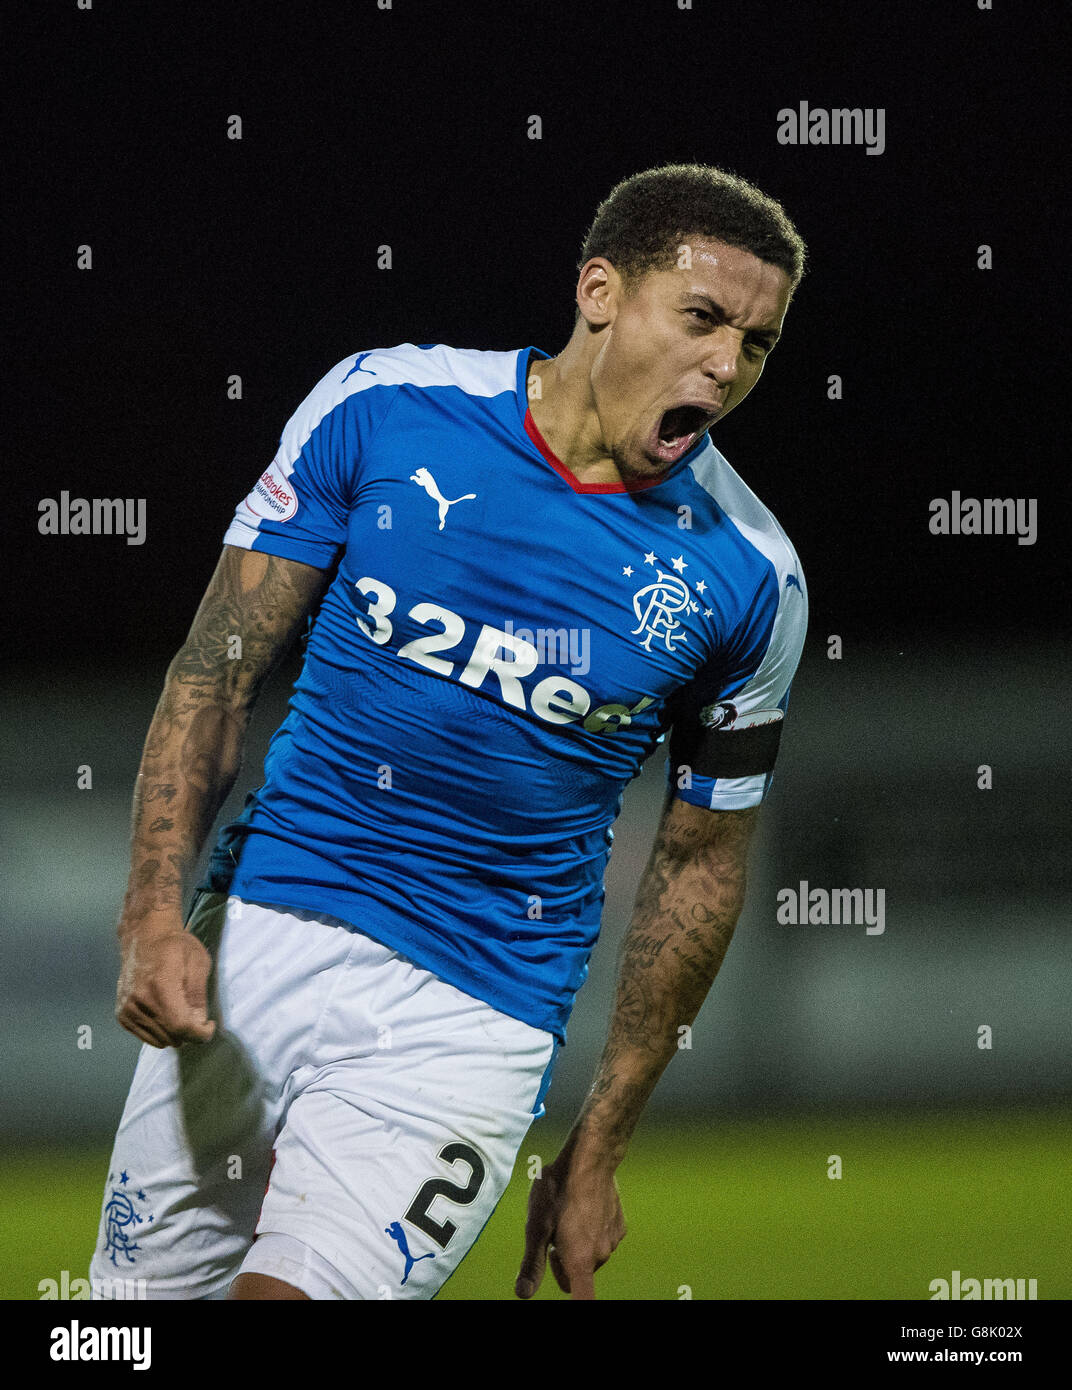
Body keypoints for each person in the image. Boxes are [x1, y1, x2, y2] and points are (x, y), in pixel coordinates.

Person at [89, 162, 808, 1301]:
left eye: (757, 344)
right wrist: (149, 912)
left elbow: (700, 861)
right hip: (258, 941)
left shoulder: (748, 577)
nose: (725, 366)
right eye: (704, 318)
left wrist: (602, 1140)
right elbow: (215, 672)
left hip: (472, 1014)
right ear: (601, 291)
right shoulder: (382, 406)